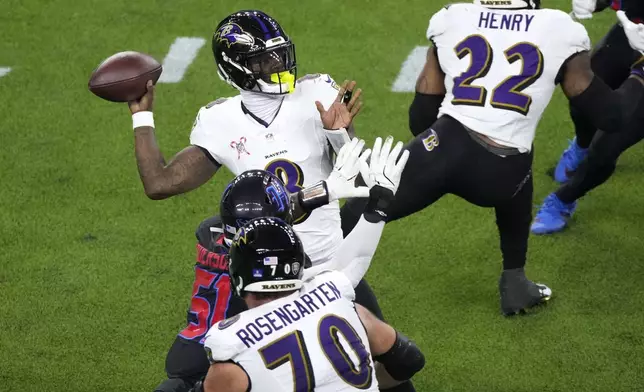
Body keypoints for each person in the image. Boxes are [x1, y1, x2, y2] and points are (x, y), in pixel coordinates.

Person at [340, 0, 644, 316]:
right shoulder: (559, 28)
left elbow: (421, 119)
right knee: (518, 143)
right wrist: (640, 68)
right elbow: (611, 117)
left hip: (443, 149)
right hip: (504, 173)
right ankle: (515, 282)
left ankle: (316, 280)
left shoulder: (454, 18)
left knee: (350, 215)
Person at [159, 139, 419, 392]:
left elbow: (265, 222)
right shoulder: (333, 293)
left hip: (208, 344)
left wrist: (325, 191)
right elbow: (347, 266)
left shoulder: (213, 238)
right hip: (259, 337)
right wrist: (378, 207)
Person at [531, 3, 644, 234]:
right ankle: (581, 145)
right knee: (583, 97)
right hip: (634, 31)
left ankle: (563, 199)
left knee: (606, 146)